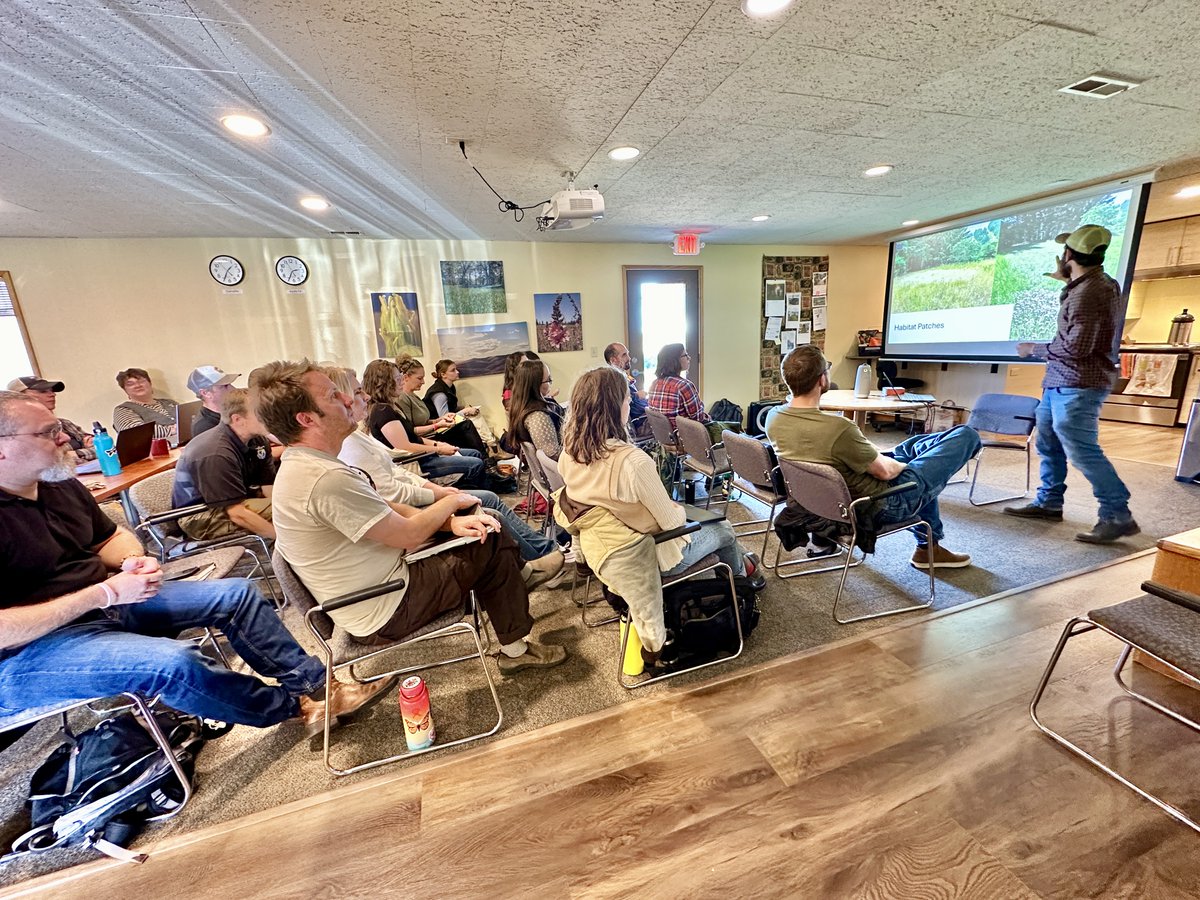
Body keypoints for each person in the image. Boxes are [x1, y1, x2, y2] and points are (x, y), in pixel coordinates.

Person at [0, 389, 392, 737]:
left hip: (105, 604)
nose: (65, 436)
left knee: (237, 594)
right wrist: (103, 592)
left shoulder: (58, 483)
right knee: (172, 664)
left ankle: (320, 686)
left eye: (57, 428)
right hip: (31, 650)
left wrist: (135, 561)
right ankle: (298, 709)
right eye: (47, 432)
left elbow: (110, 537)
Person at [251, 360, 567, 674]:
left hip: (379, 589)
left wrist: (451, 520)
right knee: (490, 535)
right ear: (306, 418)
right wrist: (453, 501)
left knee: (478, 529)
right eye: (334, 396)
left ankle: (518, 604)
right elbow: (409, 535)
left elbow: (385, 505)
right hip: (386, 607)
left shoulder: (311, 464)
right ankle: (517, 633)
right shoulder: (323, 478)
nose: (348, 399)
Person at [557, 366, 751, 658]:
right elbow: (672, 521)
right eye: (626, 399)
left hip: (602, 551)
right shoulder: (633, 462)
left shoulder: (569, 454)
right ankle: (741, 588)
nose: (630, 404)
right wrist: (672, 507)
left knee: (705, 525)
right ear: (615, 407)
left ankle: (740, 572)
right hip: (645, 554)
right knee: (724, 530)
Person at [327, 366, 564, 583]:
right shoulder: (362, 434)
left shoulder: (358, 435)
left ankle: (540, 553)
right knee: (482, 488)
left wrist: (441, 491)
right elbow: (394, 485)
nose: (365, 397)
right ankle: (541, 555)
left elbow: (397, 469)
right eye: (358, 392)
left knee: (479, 479)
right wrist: (440, 491)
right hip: (418, 476)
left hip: (416, 479)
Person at [765, 345, 981, 569]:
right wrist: (901, 466)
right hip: (882, 503)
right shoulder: (839, 428)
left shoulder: (774, 417)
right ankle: (928, 548)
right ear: (821, 380)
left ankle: (928, 548)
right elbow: (885, 472)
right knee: (966, 435)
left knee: (911, 448)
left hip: (826, 501)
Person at [1006, 224, 1139, 544]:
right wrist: (1068, 279)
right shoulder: (1096, 284)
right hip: (1060, 383)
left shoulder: (1089, 293)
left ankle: (1117, 514)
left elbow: (1077, 348)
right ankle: (1049, 502)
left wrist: (1032, 350)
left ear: (1069, 255)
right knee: (1048, 444)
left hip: (1077, 384)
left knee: (1082, 451)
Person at [362, 359, 487, 489]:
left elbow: (412, 435)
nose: (402, 382)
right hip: (418, 460)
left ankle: (481, 487)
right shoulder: (382, 411)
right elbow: (405, 447)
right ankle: (474, 496)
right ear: (385, 383)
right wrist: (438, 449)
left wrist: (437, 443)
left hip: (423, 452)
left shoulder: (391, 406)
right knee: (475, 463)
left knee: (475, 453)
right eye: (398, 378)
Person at [171, 388, 277, 541]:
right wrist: (282, 539)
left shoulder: (257, 440)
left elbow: (267, 484)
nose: (269, 417)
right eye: (260, 413)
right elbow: (237, 513)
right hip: (201, 516)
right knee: (293, 511)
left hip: (237, 500)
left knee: (295, 504)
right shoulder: (215, 453)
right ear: (237, 419)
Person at [394, 355, 488, 455]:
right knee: (466, 426)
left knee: (468, 428)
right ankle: (484, 457)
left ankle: (482, 455)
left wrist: (439, 419)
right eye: (419, 378)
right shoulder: (404, 398)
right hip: (427, 438)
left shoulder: (413, 395)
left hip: (432, 431)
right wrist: (437, 425)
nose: (423, 382)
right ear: (406, 377)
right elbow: (411, 430)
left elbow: (425, 421)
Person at [647, 343, 737, 442]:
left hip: (665, 438)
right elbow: (699, 419)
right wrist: (710, 418)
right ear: (675, 360)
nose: (689, 358)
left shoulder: (654, 384)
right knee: (735, 429)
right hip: (686, 438)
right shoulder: (684, 386)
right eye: (685, 355)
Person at [6, 376, 95, 461]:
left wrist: (77, 454)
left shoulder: (64, 423)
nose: (53, 394)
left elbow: (104, 448)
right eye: (43, 391)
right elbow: (47, 462)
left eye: (51, 391)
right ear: (19, 397)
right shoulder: (16, 432)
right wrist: (82, 452)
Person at [507, 359, 564, 460]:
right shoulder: (537, 416)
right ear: (534, 384)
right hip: (562, 469)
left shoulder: (522, 406)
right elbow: (553, 455)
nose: (551, 383)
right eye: (548, 380)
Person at [113, 367, 177, 442]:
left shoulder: (170, 403)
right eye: (130, 384)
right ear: (125, 390)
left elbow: (190, 420)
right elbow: (136, 432)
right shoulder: (122, 410)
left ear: (150, 383)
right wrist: (171, 430)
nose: (137, 385)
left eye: (141, 381)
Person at [603, 343, 648, 435]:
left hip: (644, 416)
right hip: (640, 423)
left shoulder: (623, 376)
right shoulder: (614, 381)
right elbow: (620, 400)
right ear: (613, 360)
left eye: (627, 354)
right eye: (624, 355)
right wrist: (637, 395)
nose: (629, 358)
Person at [187, 365, 240, 437]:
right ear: (206, 393)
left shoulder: (235, 410)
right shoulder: (204, 427)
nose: (233, 389)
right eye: (225, 386)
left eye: (230, 384)